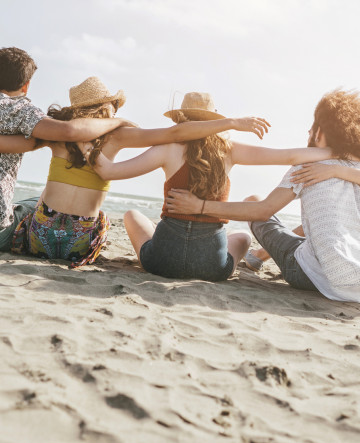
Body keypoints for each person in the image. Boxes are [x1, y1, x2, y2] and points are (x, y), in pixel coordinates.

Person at [1, 82, 269, 267]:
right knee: (99, 217)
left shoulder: (56, 133)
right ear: (107, 109)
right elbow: (174, 134)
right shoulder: (119, 134)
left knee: (32, 204)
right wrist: (232, 122)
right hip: (78, 246)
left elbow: (11, 144)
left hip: (40, 241)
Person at [83, 92, 331, 281]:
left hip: (161, 262)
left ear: (182, 119)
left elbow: (109, 171)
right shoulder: (230, 151)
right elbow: (288, 156)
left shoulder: (167, 148)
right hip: (212, 267)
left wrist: (84, 144)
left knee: (132, 215)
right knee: (242, 236)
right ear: (215, 120)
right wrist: (338, 151)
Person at [166, 90, 360, 302]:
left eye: (312, 127)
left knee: (254, 202)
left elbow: (262, 211)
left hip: (312, 277)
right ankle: (259, 255)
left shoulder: (308, 167)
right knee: (325, 225)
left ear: (319, 132)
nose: (308, 131)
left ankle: (258, 255)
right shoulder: (354, 168)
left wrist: (199, 206)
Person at [0, 47, 134, 252]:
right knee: (35, 204)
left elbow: (26, 143)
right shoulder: (19, 109)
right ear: (26, 86)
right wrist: (118, 122)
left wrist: (44, 141)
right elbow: (71, 131)